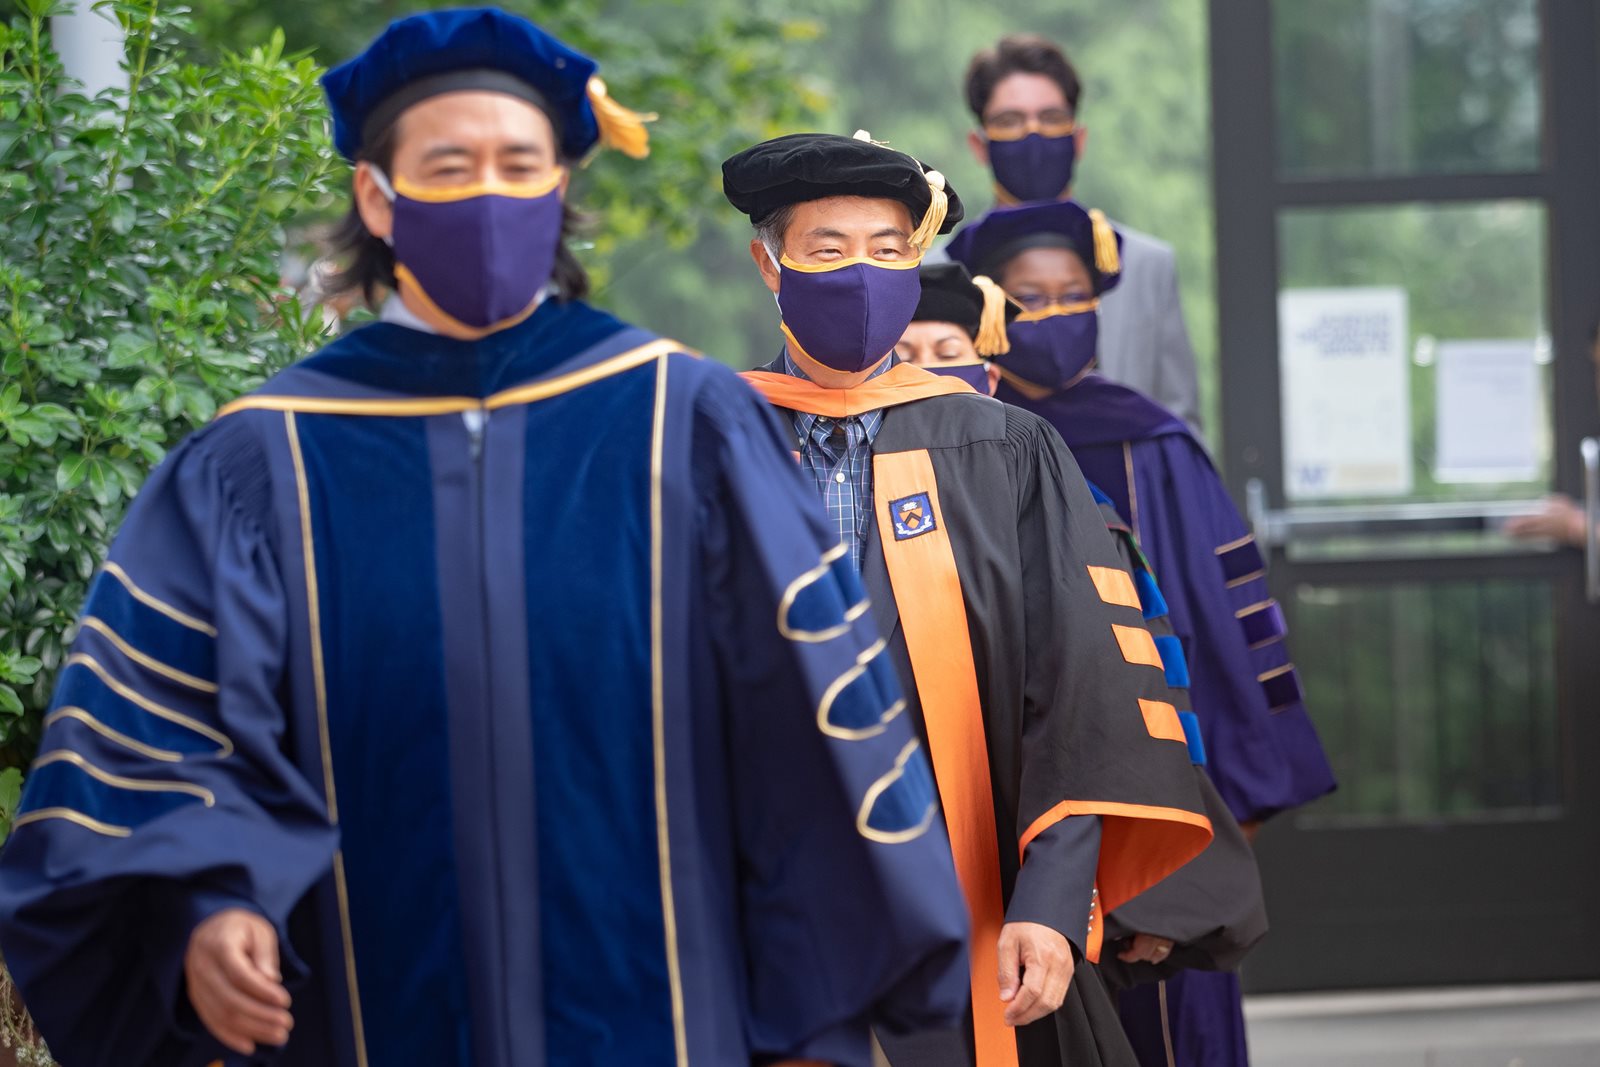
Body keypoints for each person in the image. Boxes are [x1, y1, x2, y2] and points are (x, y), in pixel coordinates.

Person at [0, 12, 974, 1067]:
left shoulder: (679, 421)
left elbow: (804, 731)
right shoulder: (262, 462)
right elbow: (159, 728)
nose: (489, 194)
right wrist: (205, 898)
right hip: (368, 1013)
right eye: (448, 165)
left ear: (559, 185)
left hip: (663, 1017)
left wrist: (806, 1018)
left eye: (519, 163)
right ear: (378, 196)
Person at [725, 130, 1215, 1067]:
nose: (860, 274)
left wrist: (1049, 902)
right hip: (763, 897)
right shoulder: (706, 440)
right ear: (769, 263)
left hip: (972, 896)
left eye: (888, 249)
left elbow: (1078, 689)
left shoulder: (1005, 449)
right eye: (827, 249)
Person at [950, 198, 1338, 1067]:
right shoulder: (964, 440)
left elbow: (1229, 641)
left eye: (1074, 294)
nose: (1055, 315)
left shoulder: (1154, 440)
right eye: (1030, 298)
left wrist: (1209, 823)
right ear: (991, 312)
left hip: (1159, 805)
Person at [899, 263, 1269, 1051]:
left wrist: (1147, 887)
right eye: (905, 352)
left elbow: (1136, 698)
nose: (927, 370)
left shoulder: (1059, 500)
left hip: (1038, 830)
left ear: (987, 374)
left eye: (946, 349)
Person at [955, 34, 1203, 433]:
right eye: (1010, 121)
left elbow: (1179, 417)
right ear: (979, 145)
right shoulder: (944, 271)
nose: (1032, 135)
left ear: (1079, 137)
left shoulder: (1144, 265)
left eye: (1051, 118)